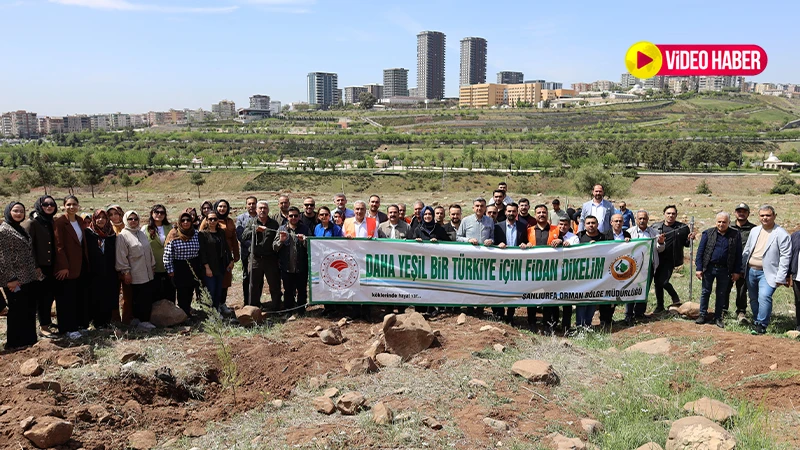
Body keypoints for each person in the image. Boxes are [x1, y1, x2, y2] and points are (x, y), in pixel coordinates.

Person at [741, 205, 792, 335]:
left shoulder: (781, 234)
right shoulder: (755, 231)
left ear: (774, 216)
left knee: (764, 296)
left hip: (768, 273)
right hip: (751, 270)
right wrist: (742, 268)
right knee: (753, 298)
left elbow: (785, 257)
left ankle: (762, 324)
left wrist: (781, 276)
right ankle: (757, 320)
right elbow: (747, 250)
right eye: (762, 215)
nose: (765, 218)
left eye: (768, 215)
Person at [0, 202, 39, 349]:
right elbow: (3, 257)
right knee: (17, 310)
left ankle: (29, 340)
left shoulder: (20, 229)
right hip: (14, 279)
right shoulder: (4, 230)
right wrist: (10, 279)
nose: (19, 213)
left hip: (27, 277)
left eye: (21, 211)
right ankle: (15, 343)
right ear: (9, 212)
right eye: (15, 211)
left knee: (28, 309)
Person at [694, 212, 743, 329]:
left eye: (724, 222)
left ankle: (718, 317)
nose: (721, 224)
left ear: (728, 222)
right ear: (716, 222)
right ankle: (702, 314)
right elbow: (700, 252)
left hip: (725, 269)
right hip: (709, 268)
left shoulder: (735, 235)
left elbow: (738, 255)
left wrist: (736, 271)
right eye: (719, 222)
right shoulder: (708, 233)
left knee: (721, 294)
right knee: (705, 292)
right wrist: (699, 268)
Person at [54, 195, 89, 339]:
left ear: (78, 206)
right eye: (68, 205)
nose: (71, 207)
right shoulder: (60, 222)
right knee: (66, 298)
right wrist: (63, 266)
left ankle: (79, 325)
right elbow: (58, 245)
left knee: (79, 296)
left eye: (74, 204)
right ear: (64, 206)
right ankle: (68, 328)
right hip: (67, 267)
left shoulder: (80, 220)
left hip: (80, 265)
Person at [22, 195, 58, 337]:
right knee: (41, 297)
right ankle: (43, 327)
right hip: (39, 268)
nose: (49, 207)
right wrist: (35, 267)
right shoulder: (32, 223)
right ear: (39, 205)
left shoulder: (51, 222)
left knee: (49, 296)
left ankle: (46, 322)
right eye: (45, 204)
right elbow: (27, 248)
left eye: (52, 204)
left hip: (51, 266)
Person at [115, 211, 157, 330]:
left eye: (135, 219)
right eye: (130, 219)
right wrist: (126, 272)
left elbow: (149, 251)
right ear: (125, 221)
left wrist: (152, 265)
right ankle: (141, 321)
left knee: (146, 296)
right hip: (135, 273)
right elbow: (121, 256)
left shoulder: (141, 233)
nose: (133, 221)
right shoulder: (123, 236)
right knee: (138, 297)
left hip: (147, 271)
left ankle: (144, 320)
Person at [652, 205, 695, 312]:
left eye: (673, 214)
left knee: (663, 281)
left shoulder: (683, 228)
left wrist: (690, 239)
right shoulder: (655, 227)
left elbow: (687, 245)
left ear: (676, 215)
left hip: (671, 259)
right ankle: (659, 305)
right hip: (657, 258)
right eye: (668, 213)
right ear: (664, 214)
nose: (671, 215)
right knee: (657, 283)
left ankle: (674, 297)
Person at [626, 210, 666, 325]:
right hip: (632, 268)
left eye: (644, 218)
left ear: (648, 220)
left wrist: (661, 242)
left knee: (644, 290)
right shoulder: (629, 232)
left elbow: (660, 249)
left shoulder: (653, 233)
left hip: (648, 267)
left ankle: (639, 313)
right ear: (636, 219)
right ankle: (628, 315)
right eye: (640, 218)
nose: (642, 220)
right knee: (631, 290)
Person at [456, 198, 494, 316]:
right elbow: (458, 237)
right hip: (469, 258)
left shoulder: (490, 221)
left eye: (482, 206)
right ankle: (470, 308)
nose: (479, 208)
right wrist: (468, 240)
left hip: (484, 259)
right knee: (470, 283)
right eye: (477, 206)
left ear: (485, 208)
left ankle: (480, 308)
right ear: (473, 207)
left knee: (483, 282)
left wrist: (491, 240)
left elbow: (493, 237)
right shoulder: (466, 221)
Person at [492, 202, 528, 323]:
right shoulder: (497, 226)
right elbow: (492, 243)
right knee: (499, 288)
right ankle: (499, 314)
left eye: (513, 211)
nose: (511, 213)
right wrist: (497, 245)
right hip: (500, 264)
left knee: (514, 289)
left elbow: (527, 241)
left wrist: (525, 244)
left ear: (517, 213)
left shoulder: (523, 226)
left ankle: (511, 315)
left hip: (516, 264)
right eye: (509, 211)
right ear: (505, 212)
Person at [242, 201, 281, 309]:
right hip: (255, 258)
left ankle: (276, 306)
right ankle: (254, 307)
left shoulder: (274, 223)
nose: (262, 210)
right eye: (260, 208)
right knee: (254, 284)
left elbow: (277, 239)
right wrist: (255, 230)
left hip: (270, 258)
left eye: (265, 208)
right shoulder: (252, 222)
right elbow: (244, 235)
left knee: (274, 283)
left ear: (268, 210)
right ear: (256, 210)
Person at [163, 212, 202, 318]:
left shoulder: (196, 234)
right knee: (181, 291)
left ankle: (187, 312)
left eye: (188, 220)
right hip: (179, 267)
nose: (186, 222)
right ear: (179, 222)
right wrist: (170, 270)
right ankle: (181, 314)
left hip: (193, 265)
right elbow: (167, 255)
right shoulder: (174, 234)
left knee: (190, 290)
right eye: (183, 220)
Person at [85, 209, 118, 329]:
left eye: (104, 217)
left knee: (108, 295)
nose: (101, 220)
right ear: (94, 219)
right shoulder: (88, 233)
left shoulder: (111, 234)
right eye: (98, 217)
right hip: (93, 272)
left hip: (109, 271)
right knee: (94, 295)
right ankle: (96, 321)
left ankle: (106, 321)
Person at [573, 216, 608, 330]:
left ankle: (588, 324)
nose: (591, 225)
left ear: (597, 224)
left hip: (598, 274)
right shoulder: (579, 237)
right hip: (581, 274)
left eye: (593, 223)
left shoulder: (604, 237)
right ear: (584, 224)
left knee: (593, 299)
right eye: (588, 223)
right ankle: (579, 325)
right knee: (582, 300)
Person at [528, 204, 558, 332]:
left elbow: (568, 241)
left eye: (544, 212)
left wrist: (561, 241)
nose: (541, 214)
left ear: (547, 214)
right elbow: (521, 244)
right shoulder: (529, 230)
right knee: (532, 296)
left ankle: (547, 323)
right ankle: (531, 322)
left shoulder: (556, 229)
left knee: (548, 296)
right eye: (539, 212)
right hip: (533, 269)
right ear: (535, 215)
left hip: (550, 269)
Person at [273, 207, 310, 312]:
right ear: (287, 217)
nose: (293, 218)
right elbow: (274, 247)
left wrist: (304, 241)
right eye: (291, 216)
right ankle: (288, 309)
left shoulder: (305, 229)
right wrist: (281, 241)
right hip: (286, 267)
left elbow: (312, 247)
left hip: (301, 266)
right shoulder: (281, 229)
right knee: (288, 290)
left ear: (299, 217)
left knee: (302, 290)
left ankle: (301, 310)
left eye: (295, 216)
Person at [599, 213, 631, 328]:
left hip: (620, 269)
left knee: (616, 294)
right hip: (607, 269)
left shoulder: (627, 235)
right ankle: (603, 319)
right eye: (616, 221)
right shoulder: (604, 235)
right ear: (611, 222)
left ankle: (610, 318)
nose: (618, 223)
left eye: (620, 221)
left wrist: (630, 241)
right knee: (606, 294)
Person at [199, 211, 234, 312]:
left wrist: (231, 260)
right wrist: (207, 267)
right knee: (211, 290)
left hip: (220, 266)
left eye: (215, 219)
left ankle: (216, 309)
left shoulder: (221, 232)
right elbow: (202, 252)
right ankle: (211, 312)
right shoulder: (202, 234)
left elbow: (226, 248)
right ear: (206, 220)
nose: (213, 221)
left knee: (219, 290)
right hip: (209, 267)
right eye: (210, 219)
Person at [728, 203, 756, 322]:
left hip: (744, 263)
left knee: (742, 289)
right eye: (739, 211)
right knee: (725, 287)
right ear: (735, 213)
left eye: (744, 211)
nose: (741, 213)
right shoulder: (728, 226)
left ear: (748, 214)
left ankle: (741, 312)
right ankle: (723, 310)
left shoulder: (754, 229)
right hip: (728, 263)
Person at [214, 199, 240, 313]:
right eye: (220, 206)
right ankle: (215, 305)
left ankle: (222, 303)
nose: (222, 209)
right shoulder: (210, 219)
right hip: (214, 256)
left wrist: (236, 254)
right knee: (215, 281)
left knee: (226, 280)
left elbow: (234, 239)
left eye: (224, 206)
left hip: (227, 256)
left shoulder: (229, 221)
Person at [147, 204, 175, 303]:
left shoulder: (170, 227)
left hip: (169, 265)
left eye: (162, 212)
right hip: (154, 265)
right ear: (152, 213)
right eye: (157, 212)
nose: (159, 214)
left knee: (170, 292)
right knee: (156, 292)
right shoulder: (145, 229)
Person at [107, 204, 130, 323]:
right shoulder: (106, 228)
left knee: (128, 294)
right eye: (110, 214)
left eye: (116, 213)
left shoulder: (128, 226)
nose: (114, 217)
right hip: (112, 267)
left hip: (127, 265)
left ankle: (127, 319)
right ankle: (114, 319)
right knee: (113, 294)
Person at [237, 196, 258, 304]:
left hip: (259, 254)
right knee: (247, 277)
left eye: (253, 203)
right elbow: (240, 236)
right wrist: (251, 247)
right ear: (246, 205)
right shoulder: (241, 218)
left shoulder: (261, 217)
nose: (251, 206)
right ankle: (247, 301)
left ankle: (256, 301)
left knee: (257, 278)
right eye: (249, 204)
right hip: (246, 253)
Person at [788, 226, 800, 332]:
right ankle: (799, 325)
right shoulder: (796, 236)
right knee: (798, 301)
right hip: (798, 276)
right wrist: (788, 275)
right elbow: (790, 255)